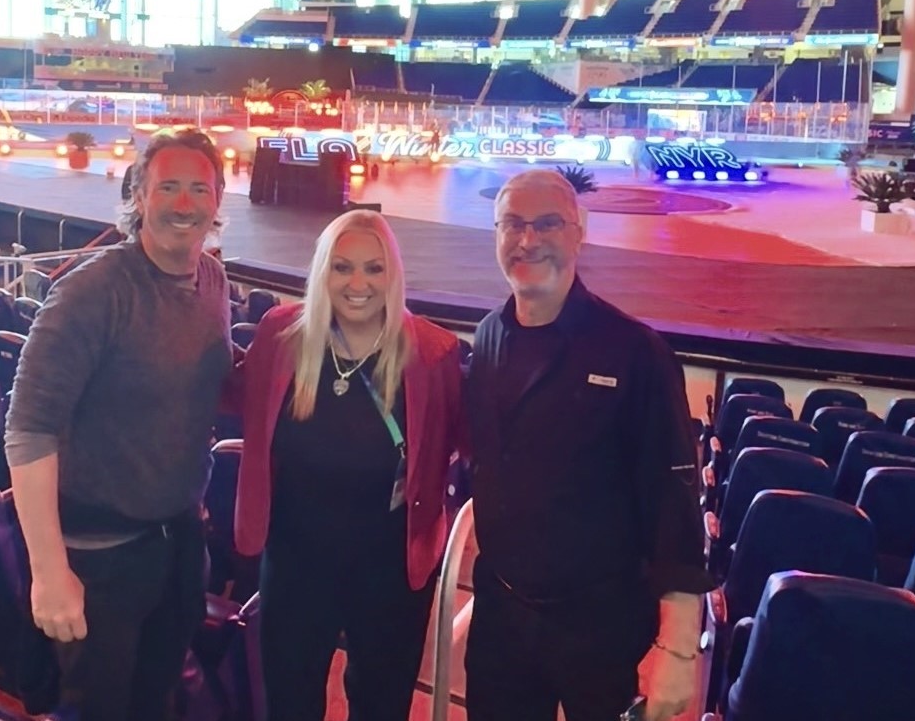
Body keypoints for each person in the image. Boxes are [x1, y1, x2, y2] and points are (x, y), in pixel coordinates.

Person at [463, 169, 712, 721]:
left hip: (605, 626)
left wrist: (677, 648)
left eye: (547, 224)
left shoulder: (636, 352)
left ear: (579, 233)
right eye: (512, 224)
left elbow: (673, 502)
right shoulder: (487, 337)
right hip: (503, 615)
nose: (528, 240)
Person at [4, 128, 234, 721]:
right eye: (168, 187)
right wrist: (49, 572)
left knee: (156, 700)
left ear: (217, 200)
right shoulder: (92, 291)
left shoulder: (213, 280)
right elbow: (28, 428)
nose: (183, 203)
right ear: (138, 196)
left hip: (177, 543)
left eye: (199, 189)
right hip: (98, 558)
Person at [233, 209, 463, 721]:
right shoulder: (281, 335)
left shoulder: (432, 352)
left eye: (373, 269)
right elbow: (234, 395)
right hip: (295, 562)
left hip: (390, 571)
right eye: (342, 267)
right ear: (322, 272)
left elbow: (466, 440)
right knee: (289, 704)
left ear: (393, 275)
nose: (358, 284)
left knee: (381, 706)